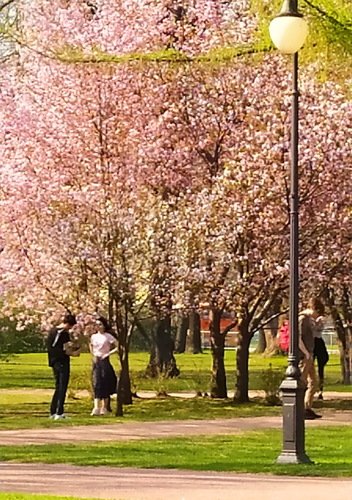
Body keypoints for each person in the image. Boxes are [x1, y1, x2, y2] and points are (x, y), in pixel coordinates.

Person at [47, 313, 79, 420]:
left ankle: (53, 411)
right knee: (62, 386)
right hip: (60, 362)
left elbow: (64, 346)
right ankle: (59, 412)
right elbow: (60, 349)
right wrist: (72, 353)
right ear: (68, 324)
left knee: (58, 387)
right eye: (70, 326)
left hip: (56, 361)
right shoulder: (60, 333)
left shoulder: (55, 332)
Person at [298, 298, 323, 420]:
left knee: (313, 382)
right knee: (302, 382)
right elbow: (297, 338)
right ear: (314, 309)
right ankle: (300, 408)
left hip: (310, 354)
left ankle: (307, 407)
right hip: (305, 355)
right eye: (317, 313)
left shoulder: (309, 319)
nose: (316, 316)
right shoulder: (302, 319)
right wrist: (306, 353)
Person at [89, 316, 118, 416]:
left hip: (104, 360)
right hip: (96, 360)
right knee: (97, 382)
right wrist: (93, 355)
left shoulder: (108, 336)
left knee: (105, 382)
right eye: (97, 325)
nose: (98, 326)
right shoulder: (93, 337)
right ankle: (96, 407)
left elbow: (118, 346)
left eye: (100, 324)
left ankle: (104, 407)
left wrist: (107, 354)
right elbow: (91, 346)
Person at [312, 299, 329, 400]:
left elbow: (317, 329)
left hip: (317, 342)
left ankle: (320, 390)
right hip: (313, 341)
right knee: (310, 365)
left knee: (320, 368)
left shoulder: (321, 319)